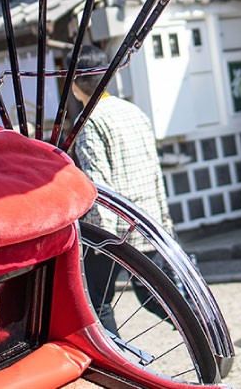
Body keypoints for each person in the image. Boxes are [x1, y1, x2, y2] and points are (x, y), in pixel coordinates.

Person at [71, 44, 176, 326]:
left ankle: (117, 363)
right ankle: (206, 338)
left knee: (96, 300)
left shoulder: (88, 122)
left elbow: (97, 184)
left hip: (114, 229)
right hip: (149, 219)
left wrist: (97, 240)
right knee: (157, 295)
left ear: (73, 84)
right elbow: (154, 170)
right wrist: (165, 221)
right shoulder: (133, 111)